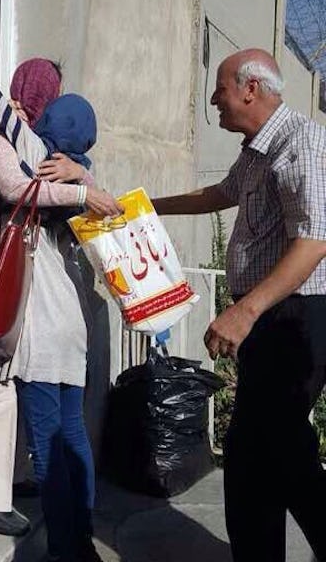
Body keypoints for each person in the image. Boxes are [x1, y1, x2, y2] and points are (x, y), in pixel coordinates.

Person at [151, 48, 326, 562]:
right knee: (257, 457)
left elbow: (315, 239)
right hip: (267, 320)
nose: (214, 98)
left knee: (279, 453)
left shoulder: (303, 143)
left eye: (221, 87)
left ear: (251, 89)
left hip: (295, 319)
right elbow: (218, 194)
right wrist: (144, 207)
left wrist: (245, 311)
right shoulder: (256, 152)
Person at [0, 59, 119, 539]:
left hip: (19, 276)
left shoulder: (34, 144)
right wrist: (82, 193)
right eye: (48, 94)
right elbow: (15, 188)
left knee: (19, 385)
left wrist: (78, 179)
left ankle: (18, 482)